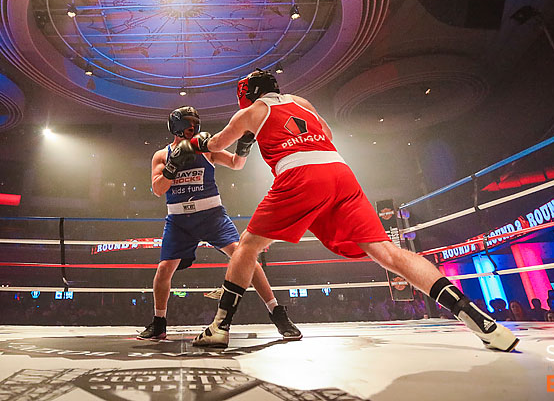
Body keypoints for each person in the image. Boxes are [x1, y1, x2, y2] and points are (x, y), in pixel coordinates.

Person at [190, 70, 518, 351]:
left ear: (250, 93)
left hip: (299, 174)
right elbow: (328, 135)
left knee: (248, 245)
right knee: (388, 252)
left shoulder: (250, 112)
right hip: (340, 172)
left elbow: (217, 145)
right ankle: (475, 316)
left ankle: (219, 327)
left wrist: (197, 144)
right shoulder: (301, 103)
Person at [137, 106, 300, 341]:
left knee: (245, 257)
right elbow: (157, 189)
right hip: (179, 220)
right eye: (188, 122)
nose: (192, 127)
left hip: (212, 215)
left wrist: (244, 146)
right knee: (163, 270)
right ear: (176, 126)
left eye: (195, 122)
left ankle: (277, 314)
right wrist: (173, 167)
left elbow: (236, 163)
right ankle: (159, 323)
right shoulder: (162, 156)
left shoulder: (206, 147)